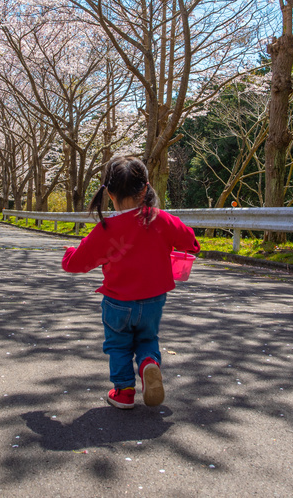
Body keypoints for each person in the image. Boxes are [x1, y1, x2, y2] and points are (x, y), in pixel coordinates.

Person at [61, 156, 199, 410]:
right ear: (145, 189)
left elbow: (76, 264)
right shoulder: (160, 219)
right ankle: (149, 364)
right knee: (147, 337)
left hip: (117, 301)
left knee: (118, 344)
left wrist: (70, 251)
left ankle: (124, 392)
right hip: (154, 298)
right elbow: (190, 242)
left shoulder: (105, 229)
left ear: (108, 193)